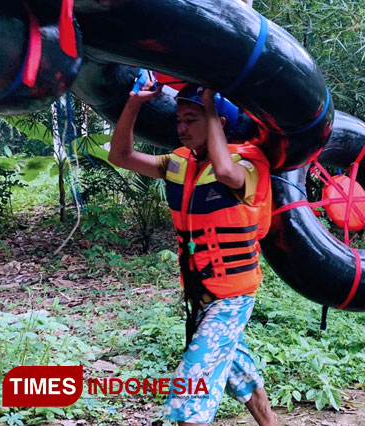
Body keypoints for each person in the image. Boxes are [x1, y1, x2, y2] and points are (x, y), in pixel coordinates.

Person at [109, 79, 277, 426]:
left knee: (191, 387)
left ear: (219, 123)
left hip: (232, 296)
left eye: (191, 120)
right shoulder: (177, 164)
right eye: (179, 120)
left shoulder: (249, 165)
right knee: (238, 370)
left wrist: (211, 105)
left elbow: (226, 172)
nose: (181, 128)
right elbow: (120, 156)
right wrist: (133, 103)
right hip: (200, 294)